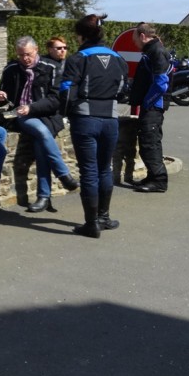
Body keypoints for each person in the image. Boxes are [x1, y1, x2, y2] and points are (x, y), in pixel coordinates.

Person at [60, 14, 129, 238]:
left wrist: (65, 114)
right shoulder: (118, 59)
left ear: (80, 36)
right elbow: (124, 91)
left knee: (89, 172)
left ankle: (91, 224)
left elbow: (66, 93)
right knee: (104, 169)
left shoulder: (77, 59)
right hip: (110, 119)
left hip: (85, 120)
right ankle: (104, 218)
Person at [0, 36, 78, 213]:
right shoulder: (11, 69)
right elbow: (1, 101)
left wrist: (31, 107)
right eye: (21, 55)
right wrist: (0, 96)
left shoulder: (51, 68)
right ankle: (63, 175)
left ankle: (44, 197)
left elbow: (55, 100)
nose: (25, 58)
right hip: (22, 116)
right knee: (40, 131)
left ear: (37, 50)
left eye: (28, 54)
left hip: (48, 116)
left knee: (42, 147)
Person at [129, 22, 170, 193]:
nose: (135, 43)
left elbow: (161, 84)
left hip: (154, 106)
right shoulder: (151, 51)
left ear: (143, 36)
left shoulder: (157, 51)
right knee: (148, 141)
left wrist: (147, 102)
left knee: (150, 142)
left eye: (135, 39)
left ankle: (159, 181)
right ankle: (152, 176)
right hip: (151, 105)